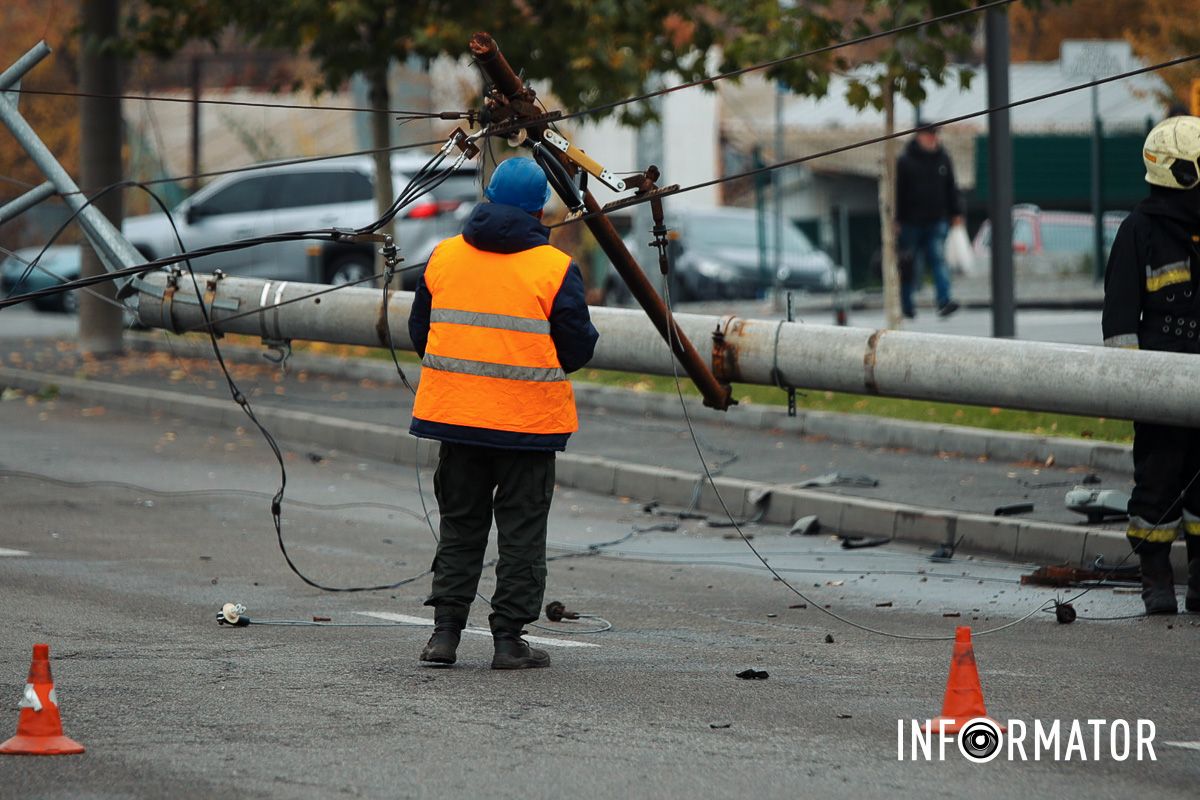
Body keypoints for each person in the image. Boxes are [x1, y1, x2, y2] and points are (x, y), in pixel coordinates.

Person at [408, 157, 599, 668]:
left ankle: (444, 637)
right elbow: (578, 349)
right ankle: (509, 642)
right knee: (521, 533)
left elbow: (419, 335)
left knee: (460, 526)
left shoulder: (443, 256)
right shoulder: (555, 268)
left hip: (457, 419)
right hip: (526, 427)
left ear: (488, 197)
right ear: (540, 211)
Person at [1103, 115, 1200, 615]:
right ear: (1181, 174)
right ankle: (1156, 578)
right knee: (1159, 479)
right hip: (1159, 381)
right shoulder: (1138, 232)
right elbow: (1120, 317)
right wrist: (1132, 386)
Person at [896, 125, 963, 319]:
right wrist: (898, 220)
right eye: (930, 134)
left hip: (937, 220)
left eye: (935, 134)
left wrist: (956, 213)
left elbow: (952, 187)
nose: (933, 138)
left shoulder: (943, 158)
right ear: (920, 136)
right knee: (909, 263)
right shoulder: (906, 161)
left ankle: (944, 300)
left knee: (938, 259)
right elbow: (899, 192)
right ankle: (906, 304)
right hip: (911, 222)